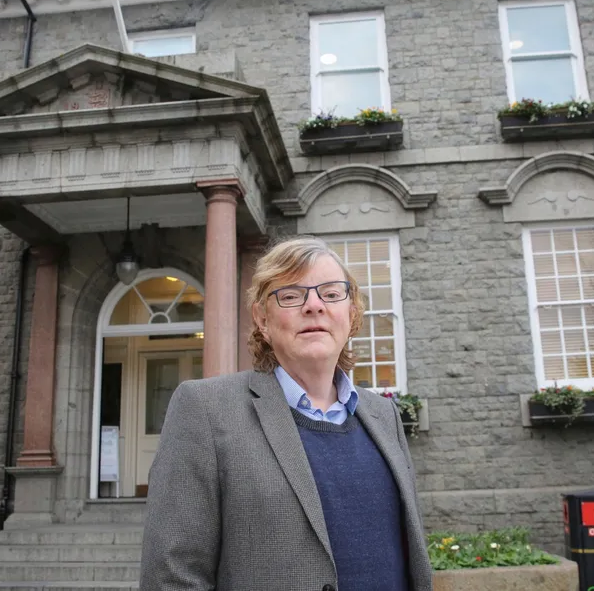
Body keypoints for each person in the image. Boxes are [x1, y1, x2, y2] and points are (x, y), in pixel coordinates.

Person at [139, 236, 432, 591]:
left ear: (351, 314)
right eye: (291, 295)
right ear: (262, 318)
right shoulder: (205, 409)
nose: (314, 305)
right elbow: (173, 575)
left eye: (331, 293)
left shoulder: (384, 415)